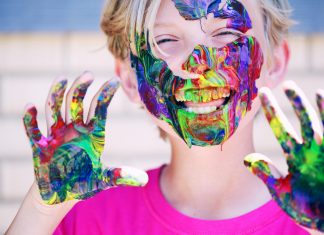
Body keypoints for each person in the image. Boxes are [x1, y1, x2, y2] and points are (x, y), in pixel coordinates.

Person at [6, 0, 324, 234]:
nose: (199, 64)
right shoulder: (86, 219)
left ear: (276, 62)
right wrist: (41, 211)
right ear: (131, 79)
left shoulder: (311, 216)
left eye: (226, 33)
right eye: (166, 41)